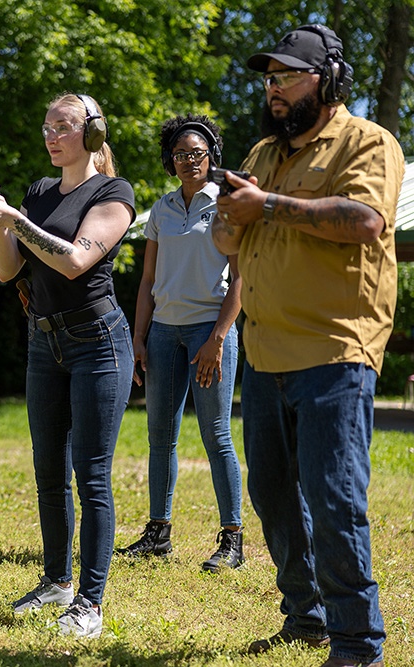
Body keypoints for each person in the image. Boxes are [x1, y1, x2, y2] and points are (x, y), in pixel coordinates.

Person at [211, 24, 404, 667]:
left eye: (287, 76)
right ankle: (306, 615)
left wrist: (264, 206)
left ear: (326, 79)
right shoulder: (265, 153)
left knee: (334, 497)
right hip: (265, 353)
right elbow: (227, 243)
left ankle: (357, 642)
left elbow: (364, 221)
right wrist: (227, 214)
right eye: (268, 79)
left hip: (335, 350)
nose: (274, 89)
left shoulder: (366, 142)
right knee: (269, 492)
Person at [0, 93, 135, 637]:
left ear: (90, 133)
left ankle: (90, 602)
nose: (51, 135)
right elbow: (4, 273)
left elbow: (75, 261)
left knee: (90, 475)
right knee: (48, 474)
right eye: (47, 126)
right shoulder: (40, 192)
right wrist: (0, 227)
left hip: (98, 342)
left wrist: (15, 219)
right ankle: (55, 582)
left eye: (63, 126)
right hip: (44, 341)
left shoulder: (114, 193)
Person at [117, 115, 245, 572]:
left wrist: (217, 338)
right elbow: (148, 278)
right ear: (169, 161)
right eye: (180, 154)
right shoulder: (163, 211)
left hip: (209, 331)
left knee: (217, 435)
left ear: (211, 157)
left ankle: (233, 540)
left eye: (197, 153)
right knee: (159, 438)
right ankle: (158, 533)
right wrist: (138, 337)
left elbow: (240, 281)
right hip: (164, 333)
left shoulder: (227, 205)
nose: (189, 161)